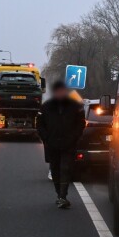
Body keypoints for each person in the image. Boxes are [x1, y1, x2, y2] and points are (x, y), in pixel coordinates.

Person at [36, 80, 86, 209]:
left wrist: (74, 137)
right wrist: (46, 138)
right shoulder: (46, 106)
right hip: (52, 144)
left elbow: (81, 124)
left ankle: (63, 196)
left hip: (69, 143)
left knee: (66, 168)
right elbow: (40, 125)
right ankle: (59, 194)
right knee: (55, 170)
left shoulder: (75, 106)